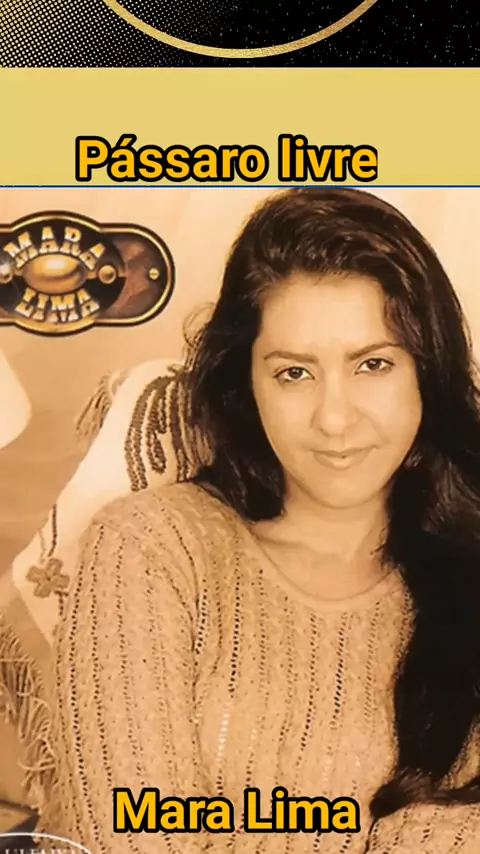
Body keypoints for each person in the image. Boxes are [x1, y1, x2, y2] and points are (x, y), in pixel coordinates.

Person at [45, 188, 480, 853]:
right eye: (295, 373)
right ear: (246, 384)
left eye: (373, 364)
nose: (334, 418)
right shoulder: (152, 549)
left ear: (427, 373)